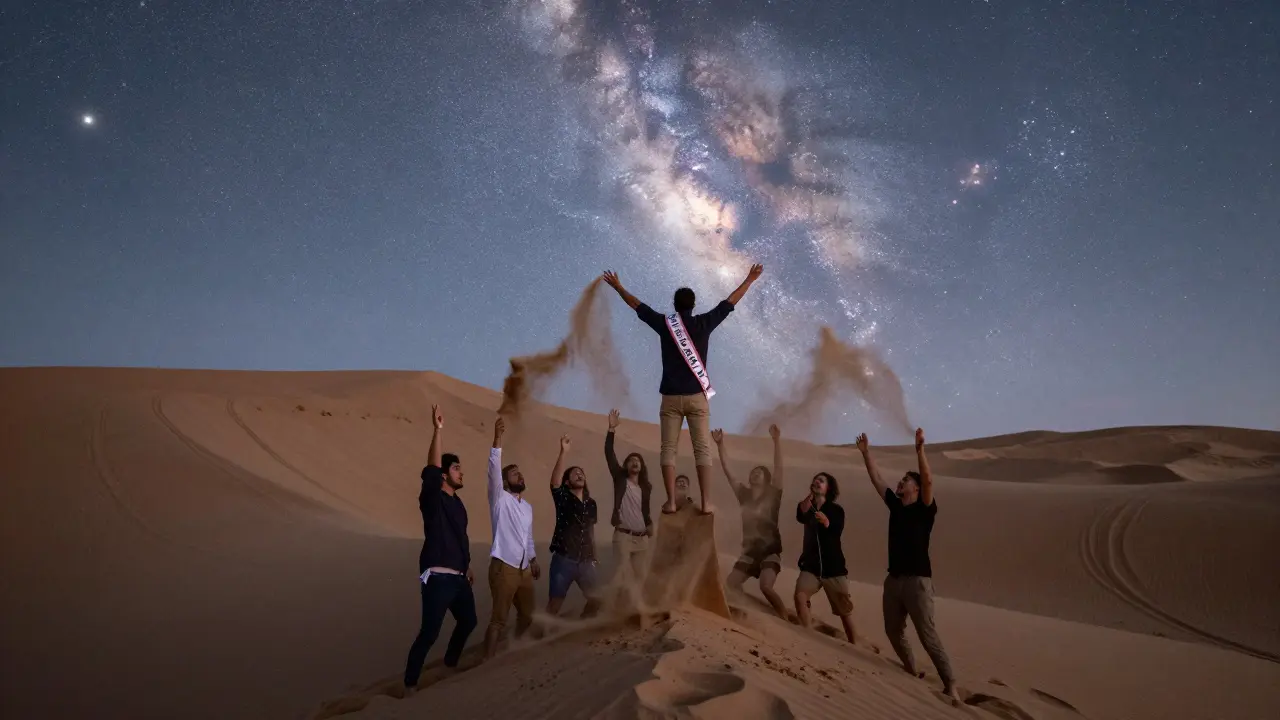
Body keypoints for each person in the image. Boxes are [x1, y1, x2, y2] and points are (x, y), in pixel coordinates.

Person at [601, 264, 764, 515]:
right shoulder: (704, 322)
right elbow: (730, 302)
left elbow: (637, 305)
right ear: (693, 304)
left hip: (670, 398)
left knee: (668, 449)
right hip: (697, 398)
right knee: (702, 449)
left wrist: (618, 286)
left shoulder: (666, 324)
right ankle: (707, 502)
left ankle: (672, 502)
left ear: (675, 305)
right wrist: (750, 279)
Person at [858, 428, 958, 703]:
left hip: (918, 582)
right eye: (901, 480)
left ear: (914, 488)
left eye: (905, 480)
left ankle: (950, 684)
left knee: (927, 635)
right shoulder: (896, 506)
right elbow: (877, 479)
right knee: (893, 630)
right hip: (894, 581)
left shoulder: (925, 509)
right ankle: (911, 670)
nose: (900, 483)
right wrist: (867, 453)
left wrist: (920, 451)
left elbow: (927, 479)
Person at [403, 405, 477, 694]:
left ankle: (449, 664)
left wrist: (467, 564)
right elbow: (432, 470)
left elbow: (461, 537)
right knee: (429, 632)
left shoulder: (458, 505)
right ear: (444, 476)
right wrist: (438, 430)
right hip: (436, 577)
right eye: (456, 468)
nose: (461, 472)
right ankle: (410, 684)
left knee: (469, 621)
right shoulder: (433, 499)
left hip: (458, 577)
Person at [713, 424, 787, 618]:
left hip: (770, 551)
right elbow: (729, 472)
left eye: (759, 472)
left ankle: (785, 618)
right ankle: (744, 607)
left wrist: (776, 441)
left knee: (766, 587)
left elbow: (779, 468)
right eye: (753, 471)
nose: (755, 473)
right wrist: (720, 445)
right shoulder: (743, 495)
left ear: (766, 479)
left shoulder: (773, 494)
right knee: (730, 585)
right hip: (749, 552)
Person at [483, 417, 540, 660]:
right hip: (503, 565)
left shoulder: (527, 506)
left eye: (521, 473)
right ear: (506, 482)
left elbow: (527, 536)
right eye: (515, 474)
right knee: (499, 619)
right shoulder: (499, 499)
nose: (521, 476)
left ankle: (513, 651)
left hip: (524, 568)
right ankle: (488, 659)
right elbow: (494, 470)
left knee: (527, 615)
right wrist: (497, 440)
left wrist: (534, 558)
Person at [794, 471, 858, 644]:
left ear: (828, 488)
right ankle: (808, 636)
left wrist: (826, 522)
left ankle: (856, 646)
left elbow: (836, 528)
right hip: (811, 567)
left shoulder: (836, 510)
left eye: (821, 481)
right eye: (815, 480)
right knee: (800, 596)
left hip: (834, 569)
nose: (816, 482)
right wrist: (810, 496)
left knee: (844, 612)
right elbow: (801, 515)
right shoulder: (808, 506)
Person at [546, 435, 602, 618]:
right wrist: (564, 452)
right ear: (568, 482)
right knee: (555, 604)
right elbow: (554, 483)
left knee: (596, 599)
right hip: (564, 560)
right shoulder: (563, 498)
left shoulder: (591, 503)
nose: (579, 474)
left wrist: (595, 556)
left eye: (581, 473)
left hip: (586, 561)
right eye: (575, 473)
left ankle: (583, 626)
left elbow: (591, 531)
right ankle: (538, 640)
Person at [604, 409, 653, 590]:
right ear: (626, 466)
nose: (634, 462)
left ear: (641, 467)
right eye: (631, 460)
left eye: (637, 460)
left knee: (642, 579)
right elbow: (609, 453)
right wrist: (611, 429)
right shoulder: (620, 480)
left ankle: (636, 611)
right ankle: (608, 612)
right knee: (620, 576)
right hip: (623, 536)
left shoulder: (646, 488)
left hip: (641, 539)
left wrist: (649, 525)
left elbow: (645, 511)